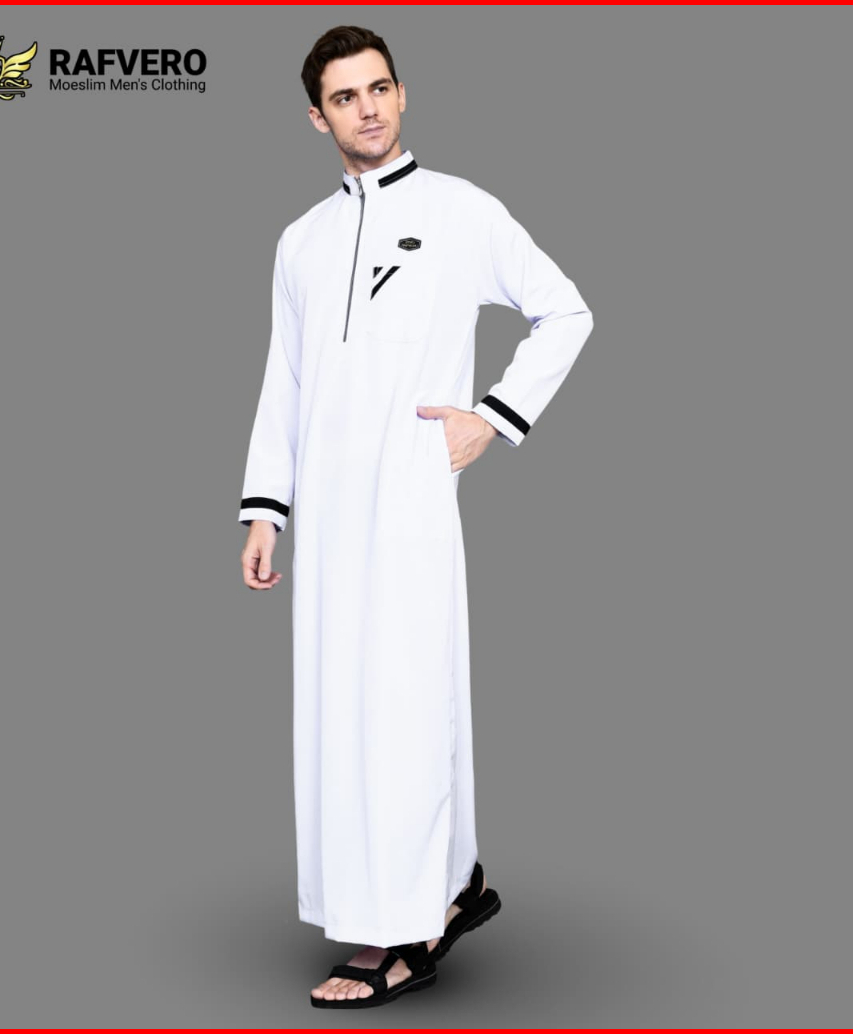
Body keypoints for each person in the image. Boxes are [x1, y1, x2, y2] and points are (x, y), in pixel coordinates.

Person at [237, 25, 594, 1009]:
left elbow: (565, 310)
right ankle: (455, 880)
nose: (368, 108)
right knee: (341, 713)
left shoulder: (459, 211)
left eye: (380, 88)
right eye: (345, 96)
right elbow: (285, 379)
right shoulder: (301, 242)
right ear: (317, 117)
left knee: (403, 703)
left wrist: (494, 416)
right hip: (326, 515)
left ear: (402, 95)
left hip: (408, 504)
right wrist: (267, 505)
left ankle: (400, 934)